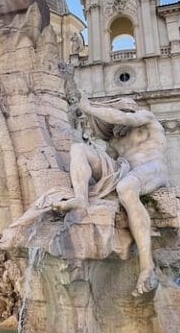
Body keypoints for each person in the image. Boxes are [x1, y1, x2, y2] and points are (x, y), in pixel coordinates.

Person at [52, 94, 168, 295]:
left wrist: (89, 108)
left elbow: (125, 119)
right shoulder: (115, 141)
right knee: (79, 149)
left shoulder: (145, 118)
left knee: (126, 187)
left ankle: (146, 265)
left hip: (152, 168)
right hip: (125, 171)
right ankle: (81, 199)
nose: (114, 128)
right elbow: (107, 161)